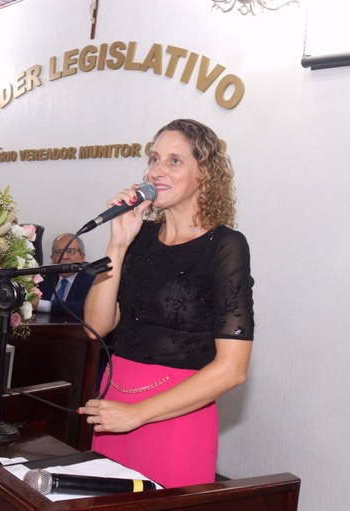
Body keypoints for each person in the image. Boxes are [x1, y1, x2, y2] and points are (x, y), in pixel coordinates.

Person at [78, 119, 255, 489]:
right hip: (113, 405)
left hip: (174, 417)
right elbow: (96, 326)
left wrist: (138, 414)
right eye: (154, 158)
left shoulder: (225, 246)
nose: (156, 170)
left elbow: (233, 369)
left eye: (174, 161)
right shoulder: (138, 237)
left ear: (204, 174)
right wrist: (117, 245)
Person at [33, 233, 95, 319]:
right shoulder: (43, 278)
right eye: (58, 253)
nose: (64, 257)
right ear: (52, 258)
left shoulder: (91, 278)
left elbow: (84, 308)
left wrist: (42, 305)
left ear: (82, 257)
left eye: (71, 251)